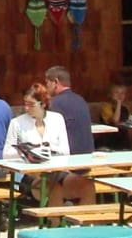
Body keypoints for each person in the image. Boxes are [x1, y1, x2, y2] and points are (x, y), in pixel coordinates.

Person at [2, 82, 69, 205]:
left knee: (86, 186)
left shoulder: (57, 119)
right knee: (52, 188)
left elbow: (65, 151)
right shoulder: (16, 123)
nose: (26, 108)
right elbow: (6, 153)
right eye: (25, 104)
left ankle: (91, 222)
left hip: (55, 171)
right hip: (28, 174)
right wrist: (26, 152)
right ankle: (55, 222)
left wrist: (47, 149)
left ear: (43, 104)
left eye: (31, 104)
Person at [43, 66, 96, 205]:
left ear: (55, 82)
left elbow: (47, 137)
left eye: (47, 83)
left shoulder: (54, 104)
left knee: (38, 179)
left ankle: (54, 219)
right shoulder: (81, 101)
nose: (45, 87)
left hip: (68, 168)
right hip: (86, 165)